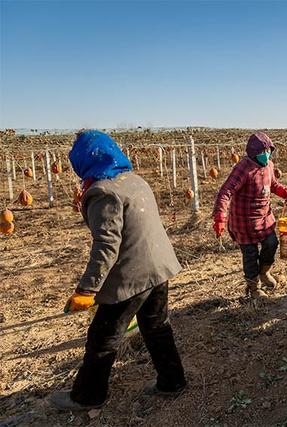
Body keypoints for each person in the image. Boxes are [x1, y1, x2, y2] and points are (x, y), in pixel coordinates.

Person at [48, 130, 186, 411]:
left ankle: (87, 396)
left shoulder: (103, 191)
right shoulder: (133, 180)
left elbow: (106, 244)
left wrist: (87, 289)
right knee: (157, 325)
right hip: (157, 268)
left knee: (104, 337)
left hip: (131, 275)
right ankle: (173, 382)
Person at [213, 132, 287, 299]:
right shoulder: (243, 168)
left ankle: (265, 273)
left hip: (264, 218)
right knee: (250, 255)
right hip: (244, 222)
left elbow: (273, 184)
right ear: (252, 153)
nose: (266, 155)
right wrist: (220, 216)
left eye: (268, 151)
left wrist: (284, 191)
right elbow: (226, 191)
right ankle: (254, 287)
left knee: (271, 244)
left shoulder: (269, 165)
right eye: (262, 152)